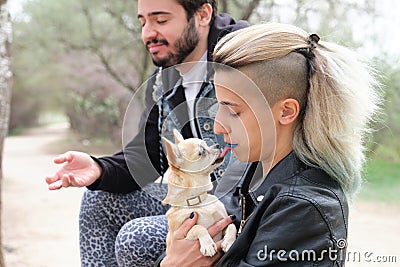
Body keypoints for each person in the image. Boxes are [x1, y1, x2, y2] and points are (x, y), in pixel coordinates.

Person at [45, 0, 250, 266]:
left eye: (160, 20)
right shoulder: (165, 78)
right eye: (142, 22)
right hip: (195, 200)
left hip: (242, 206)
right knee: (99, 199)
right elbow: (148, 156)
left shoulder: (245, 60)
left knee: (137, 237)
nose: (148, 33)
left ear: (202, 14)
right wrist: (99, 168)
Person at [158, 23, 381, 266]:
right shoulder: (253, 168)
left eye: (233, 111)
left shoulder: (303, 210)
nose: (218, 127)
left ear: (286, 111)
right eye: (218, 106)